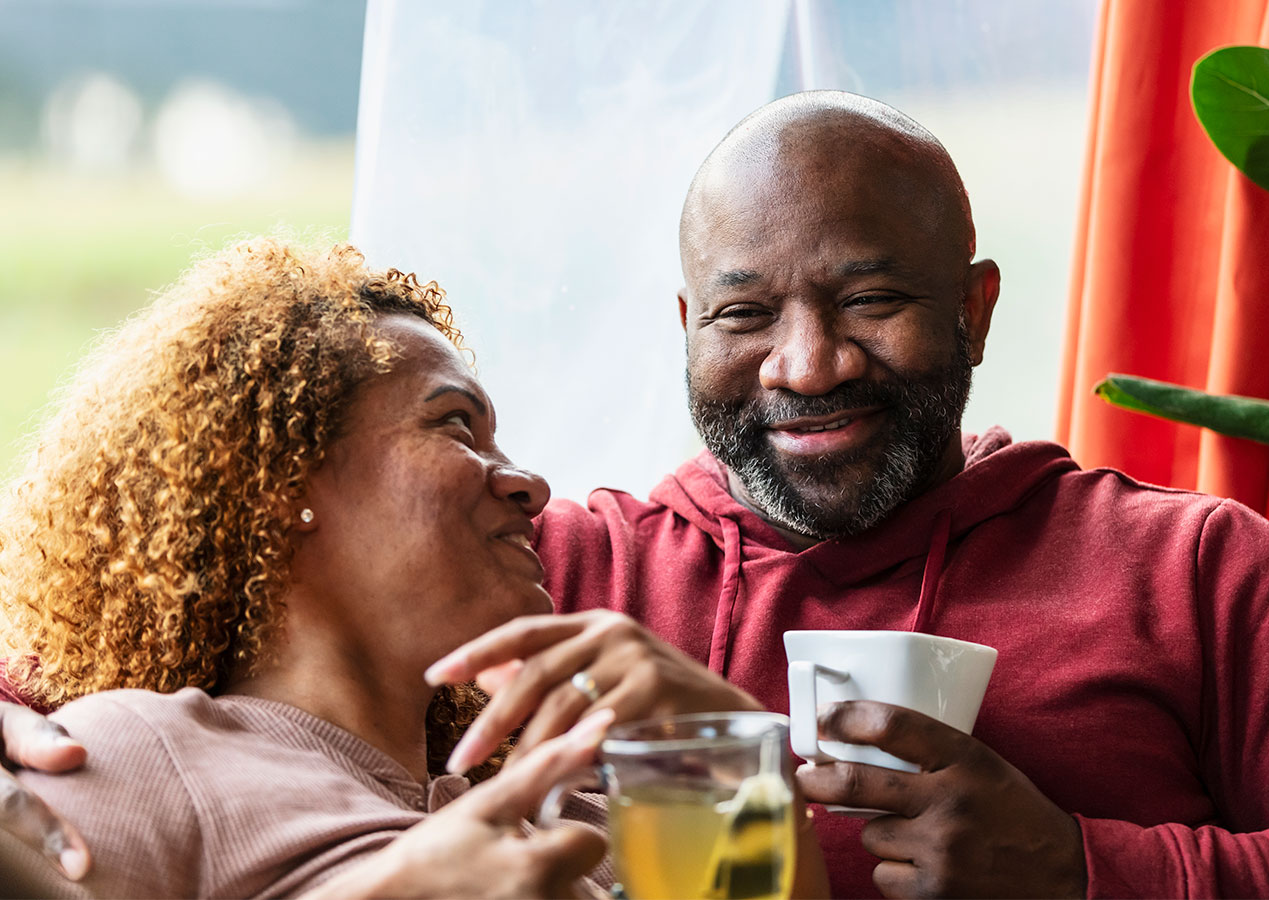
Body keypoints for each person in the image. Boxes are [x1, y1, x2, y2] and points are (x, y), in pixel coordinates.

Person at [0, 92, 1269, 897]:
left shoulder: (1184, 571)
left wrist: (1092, 870)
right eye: (749, 314)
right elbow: (204, 624)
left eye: (873, 299)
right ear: (691, 333)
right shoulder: (556, 575)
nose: (807, 365)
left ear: (976, 307)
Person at [0, 238, 770, 897]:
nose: (530, 485)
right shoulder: (140, 756)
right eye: (455, 425)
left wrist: (736, 751)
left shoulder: (582, 810)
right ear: (282, 482)